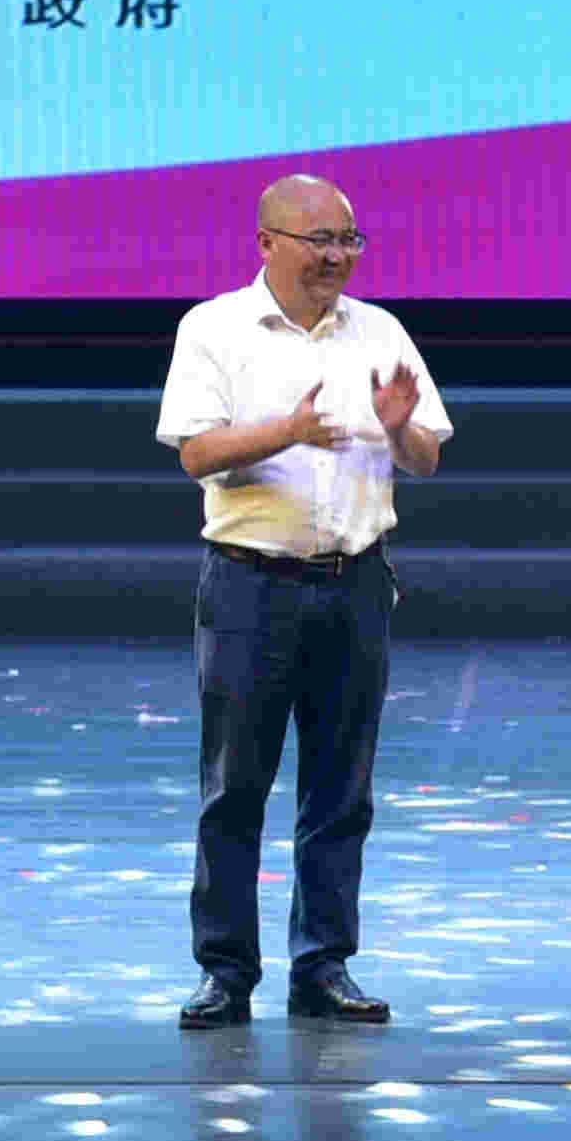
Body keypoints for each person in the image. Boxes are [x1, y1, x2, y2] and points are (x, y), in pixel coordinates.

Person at [154, 171, 451, 1027]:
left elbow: (426, 457)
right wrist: (287, 431)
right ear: (267, 242)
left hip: (354, 583)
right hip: (250, 584)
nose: (336, 256)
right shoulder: (214, 328)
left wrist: (397, 426)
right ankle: (225, 971)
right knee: (234, 788)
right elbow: (195, 453)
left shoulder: (380, 331)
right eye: (319, 240)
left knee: (340, 791)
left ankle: (323, 965)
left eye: (348, 240)